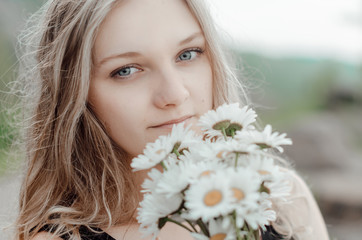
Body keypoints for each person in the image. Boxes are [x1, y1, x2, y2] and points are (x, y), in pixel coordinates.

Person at [13, 0, 329, 239]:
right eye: (126, 70)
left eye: (188, 54)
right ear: (77, 96)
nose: (174, 94)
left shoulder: (282, 198)